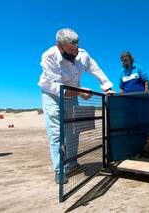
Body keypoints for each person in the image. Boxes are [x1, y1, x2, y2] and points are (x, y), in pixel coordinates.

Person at [38, 28, 115, 184]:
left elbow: (95, 69)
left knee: (73, 131)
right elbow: (56, 86)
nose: (75, 53)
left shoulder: (82, 54)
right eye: (70, 50)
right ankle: (59, 170)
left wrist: (106, 86)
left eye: (76, 49)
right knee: (56, 134)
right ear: (59, 46)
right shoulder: (49, 56)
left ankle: (72, 164)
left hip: (73, 94)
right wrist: (80, 92)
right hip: (52, 96)